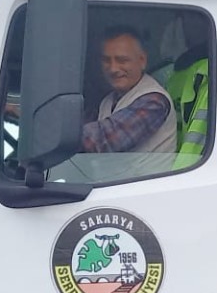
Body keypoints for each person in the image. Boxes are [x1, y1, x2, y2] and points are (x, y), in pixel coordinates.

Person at [48, 27, 179, 182]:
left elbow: (103, 139)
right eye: (106, 60)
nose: (113, 68)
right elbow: (80, 124)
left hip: (143, 197)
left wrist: (46, 132)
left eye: (122, 60)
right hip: (113, 193)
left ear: (142, 61)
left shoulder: (154, 100)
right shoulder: (108, 100)